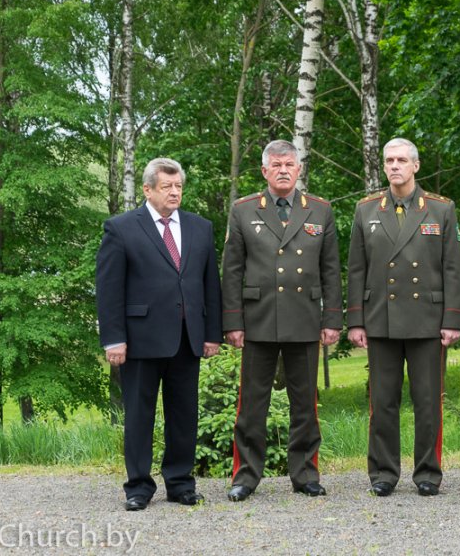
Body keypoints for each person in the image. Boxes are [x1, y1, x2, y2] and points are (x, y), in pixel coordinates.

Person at [96, 158, 222, 511]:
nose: (174, 192)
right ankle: (138, 487)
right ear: (148, 189)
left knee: (184, 415)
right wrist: (113, 339)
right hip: (140, 340)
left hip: (187, 337)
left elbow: (210, 285)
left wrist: (212, 333)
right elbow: (109, 289)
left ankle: (180, 484)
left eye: (179, 186)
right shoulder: (121, 228)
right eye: (167, 186)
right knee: (139, 416)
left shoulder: (200, 228)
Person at [222, 140, 342, 501]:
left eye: (289, 164)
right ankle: (245, 476)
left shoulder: (320, 210)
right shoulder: (243, 210)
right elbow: (232, 270)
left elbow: (331, 269)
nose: (284, 170)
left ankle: (305, 474)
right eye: (276, 165)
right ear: (264, 171)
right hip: (258, 319)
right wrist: (233, 322)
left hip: (304, 317)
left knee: (305, 404)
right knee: (251, 405)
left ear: (299, 169)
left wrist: (332, 319)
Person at [346, 137, 460, 497]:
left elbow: (453, 268)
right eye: (389, 161)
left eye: (401, 160)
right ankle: (383, 473)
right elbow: (356, 269)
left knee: (428, 402)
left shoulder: (441, 209)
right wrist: (356, 320)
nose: (394, 166)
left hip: (427, 319)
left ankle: (428, 472)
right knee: (383, 402)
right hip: (380, 319)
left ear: (415, 166)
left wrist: (452, 319)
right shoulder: (366, 210)